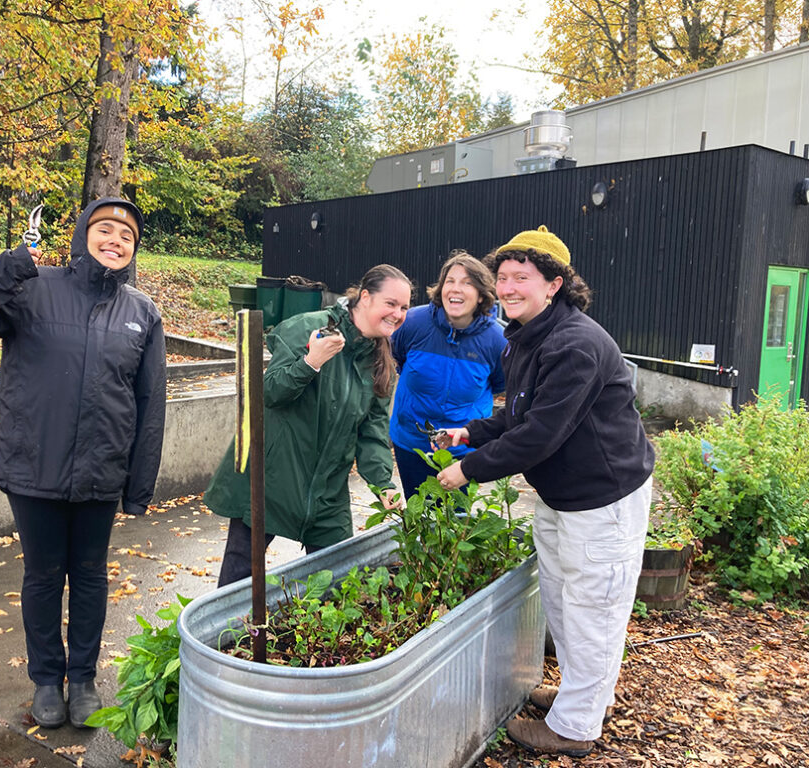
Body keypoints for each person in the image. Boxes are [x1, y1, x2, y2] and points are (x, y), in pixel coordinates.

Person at [0, 197, 166, 730]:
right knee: (43, 575)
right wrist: (12, 263)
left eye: (126, 236)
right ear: (84, 233)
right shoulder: (33, 289)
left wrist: (138, 484)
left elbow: (150, 404)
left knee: (89, 575)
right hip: (32, 465)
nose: (115, 241)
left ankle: (83, 680)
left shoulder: (141, 312)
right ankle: (46, 680)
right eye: (105, 229)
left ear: (134, 249)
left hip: (101, 470)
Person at [435, 226, 654, 757]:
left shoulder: (576, 344)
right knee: (563, 601)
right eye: (504, 277)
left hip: (603, 498)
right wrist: (474, 431)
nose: (508, 288)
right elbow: (520, 412)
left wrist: (467, 469)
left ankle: (575, 728)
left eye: (522, 278)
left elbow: (539, 434)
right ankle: (585, 693)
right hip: (563, 495)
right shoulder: (527, 337)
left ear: (554, 284)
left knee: (592, 609)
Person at [205, 264, 411, 587]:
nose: (398, 314)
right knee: (237, 579)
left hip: (328, 492)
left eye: (404, 308)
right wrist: (310, 362)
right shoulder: (309, 328)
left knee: (337, 580)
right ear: (366, 297)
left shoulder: (380, 365)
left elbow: (372, 435)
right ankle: (215, 638)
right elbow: (268, 393)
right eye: (391, 303)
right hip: (272, 477)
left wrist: (383, 483)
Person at [388, 251, 506, 497]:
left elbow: (499, 383)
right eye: (450, 281)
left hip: (462, 450)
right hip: (411, 443)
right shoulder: (412, 323)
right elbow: (395, 358)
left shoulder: (497, 340)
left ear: (482, 294)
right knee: (418, 514)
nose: (456, 289)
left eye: (467, 283)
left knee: (454, 524)